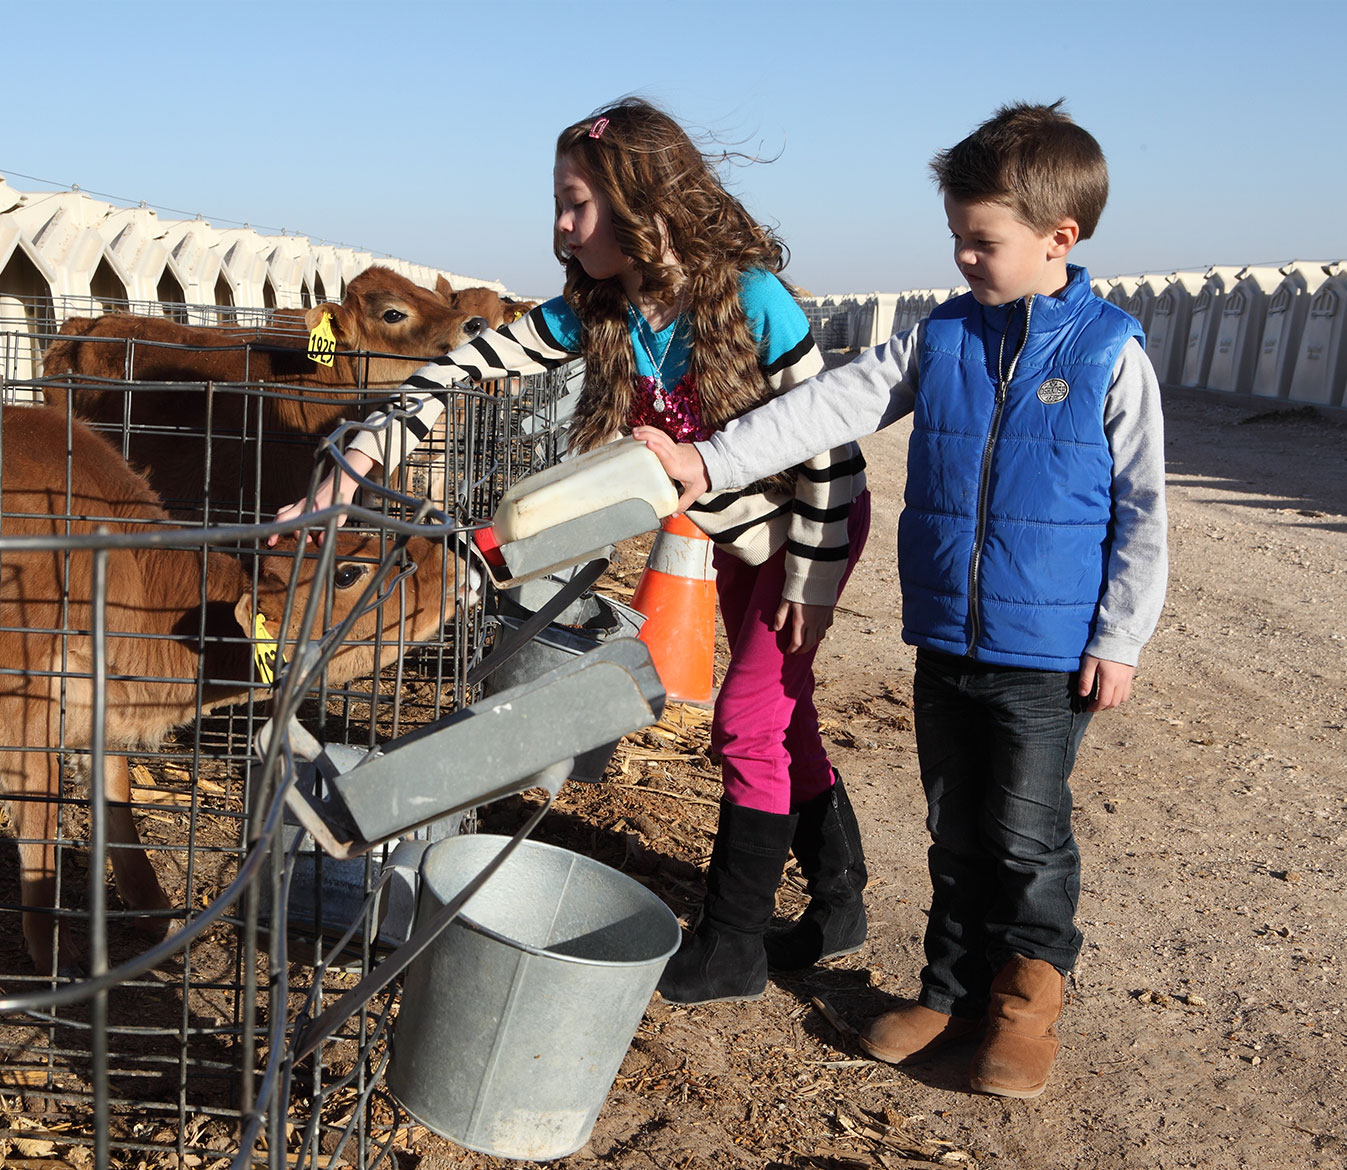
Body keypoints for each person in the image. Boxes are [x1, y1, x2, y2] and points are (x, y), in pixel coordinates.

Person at [274, 97, 873, 1004]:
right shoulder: (601, 305)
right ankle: (838, 902)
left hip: (805, 530)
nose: (558, 224)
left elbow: (830, 446)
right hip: (738, 532)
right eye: (558, 200)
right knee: (782, 717)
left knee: (746, 723)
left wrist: (812, 581)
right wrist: (362, 452)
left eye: (574, 202)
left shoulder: (752, 302)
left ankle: (731, 945)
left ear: (642, 203)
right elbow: (471, 362)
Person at [636, 100, 1167, 1099]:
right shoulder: (945, 339)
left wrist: (1122, 634)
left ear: (1061, 239)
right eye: (958, 237)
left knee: (1024, 829)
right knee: (953, 824)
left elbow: (1144, 509)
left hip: (1048, 653)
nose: (965, 258)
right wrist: (707, 462)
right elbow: (829, 405)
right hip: (948, 639)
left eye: (984, 241)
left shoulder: (1109, 353)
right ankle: (948, 992)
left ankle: (1023, 1006)